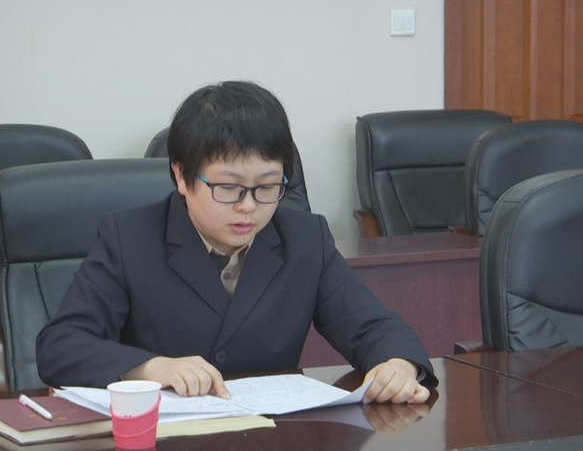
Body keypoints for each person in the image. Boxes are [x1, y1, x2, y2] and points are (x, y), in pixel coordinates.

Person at [36, 81, 437, 404]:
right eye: (228, 188)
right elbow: (60, 346)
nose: (249, 207)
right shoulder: (129, 238)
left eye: (267, 186)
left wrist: (398, 365)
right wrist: (150, 368)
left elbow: (371, 325)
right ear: (181, 177)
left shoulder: (304, 239)